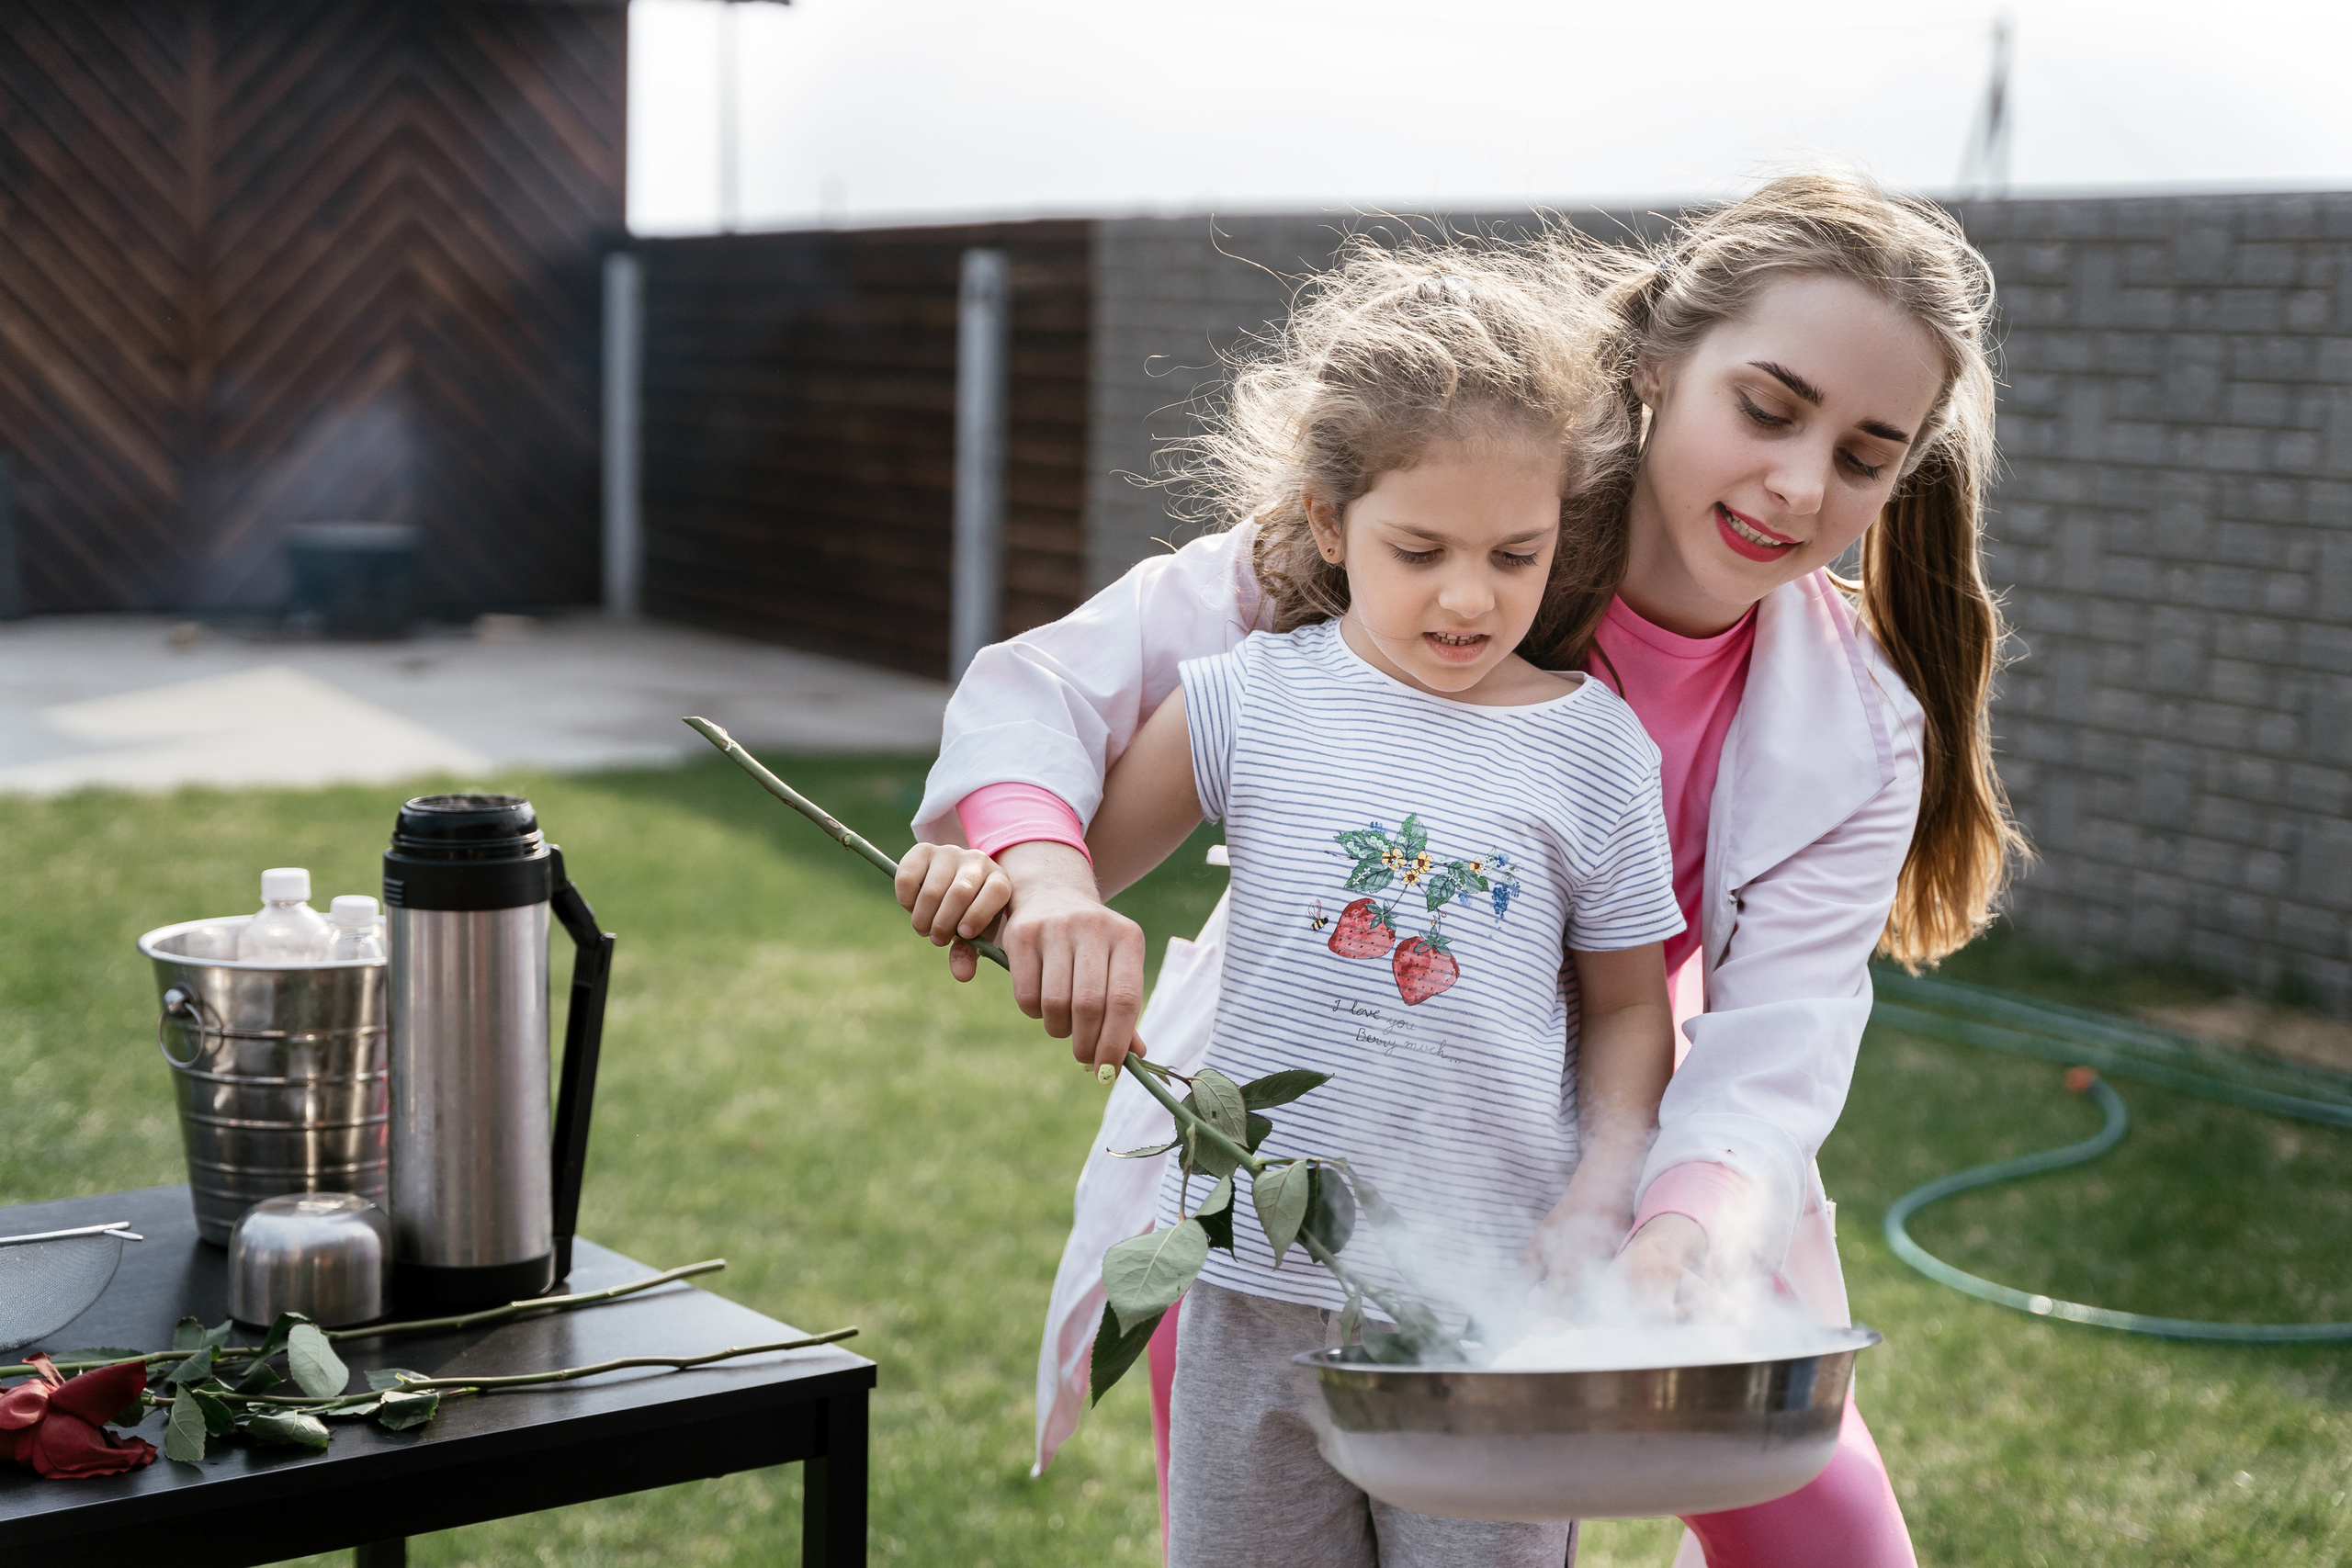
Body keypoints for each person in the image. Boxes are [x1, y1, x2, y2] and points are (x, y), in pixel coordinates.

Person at [911, 172, 2022, 1568]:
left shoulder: (1857, 732)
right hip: (1304, 1148)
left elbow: (1777, 1050)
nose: (1802, 483)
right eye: (1767, 405)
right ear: (1656, 369)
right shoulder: (1445, 524)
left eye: (1867, 453)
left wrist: (1665, 1228)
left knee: (1832, 1537)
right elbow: (1057, 692)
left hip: (1628, 1150)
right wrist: (1045, 872)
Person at [903, 233, 1683, 1566]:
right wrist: (994, 880)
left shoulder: (1598, 748)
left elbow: (1627, 1009)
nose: (1467, 594)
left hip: (1481, 1309)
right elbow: (1075, 864)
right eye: (1420, 546)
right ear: (1329, 520)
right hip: (1244, 1289)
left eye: (1516, 552)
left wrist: (1604, 1192)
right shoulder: (1246, 699)